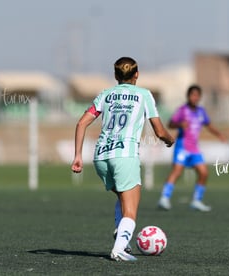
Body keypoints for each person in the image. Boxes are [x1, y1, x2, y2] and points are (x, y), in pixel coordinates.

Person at [71, 57, 174, 262]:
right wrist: (170, 140)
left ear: (116, 76)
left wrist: (77, 156)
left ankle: (122, 240)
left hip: (101, 156)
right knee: (131, 208)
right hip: (124, 155)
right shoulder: (144, 95)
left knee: (123, 197)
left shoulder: (106, 94)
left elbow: (82, 123)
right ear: (137, 74)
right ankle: (118, 249)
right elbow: (160, 131)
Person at [158, 84, 227, 212]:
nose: (194, 97)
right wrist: (179, 124)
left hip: (194, 149)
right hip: (182, 147)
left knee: (204, 173)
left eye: (197, 95)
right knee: (177, 172)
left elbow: (209, 125)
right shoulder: (182, 110)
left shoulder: (201, 111)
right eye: (192, 95)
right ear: (188, 96)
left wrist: (219, 135)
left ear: (200, 97)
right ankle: (164, 198)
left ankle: (196, 200)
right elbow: (170, 123)